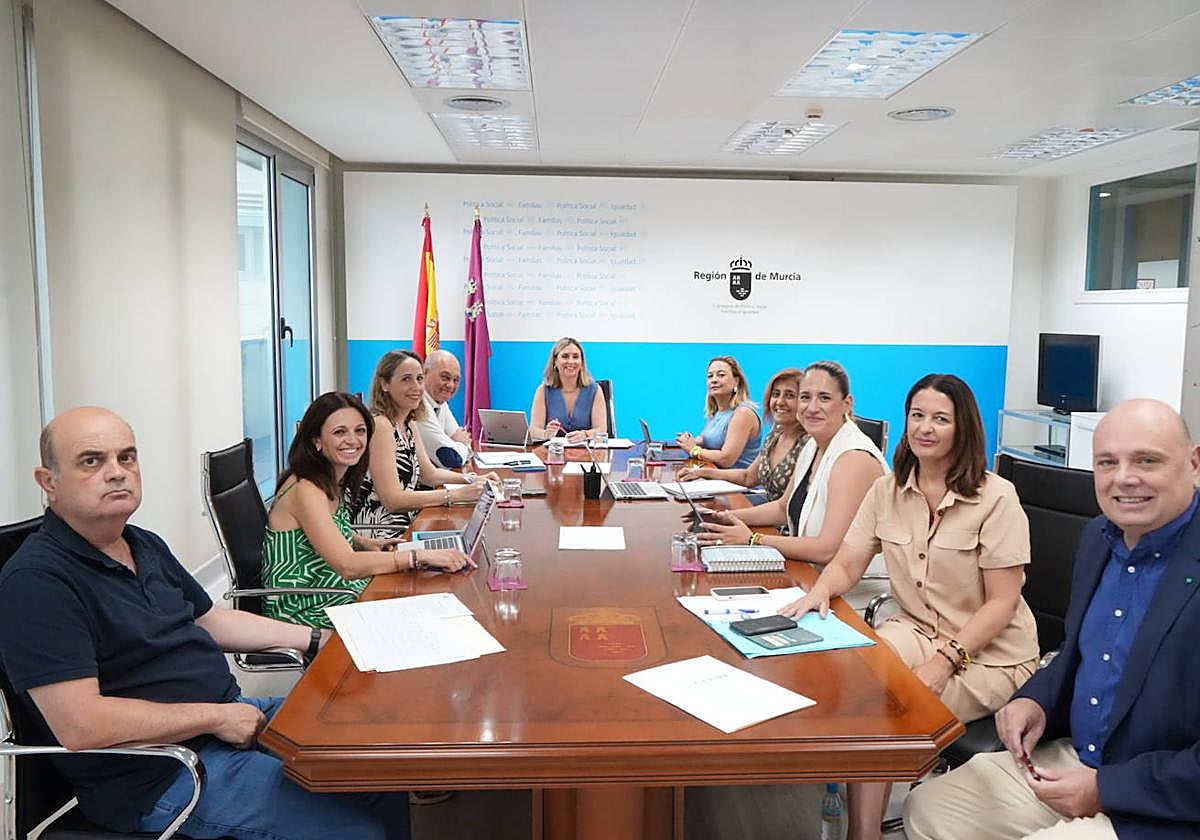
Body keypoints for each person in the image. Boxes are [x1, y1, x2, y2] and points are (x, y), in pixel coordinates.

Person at [0, 406, 409, 839]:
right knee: (354, 829)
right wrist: (215, 718)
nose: (117, 472)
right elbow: (81, 723)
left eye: (127, 457)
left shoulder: (141, 544)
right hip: (164, 773)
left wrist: (318, 638)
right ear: (48, 482)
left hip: (227, 717)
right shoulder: (37, 582)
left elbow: (210, 620)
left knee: (379, 758)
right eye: (91, 461)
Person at [904, 398, 1200, 840]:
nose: (1124, 478)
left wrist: (1106, 789)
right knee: (928, 810)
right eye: (1107, 462)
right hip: (1079, 760)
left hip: (1163, 801)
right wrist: (1035, 700)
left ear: (1194, 465)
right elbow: (1078, 653)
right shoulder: (1099, 538)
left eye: (1147, 461)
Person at [782, 373, 1039, 840]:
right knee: (855, 677)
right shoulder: (887, 490)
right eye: (917, 416)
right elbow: (848, 562)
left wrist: (945, 662)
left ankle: (863, 834)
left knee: (886, 705)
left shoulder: (997, 497)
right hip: (918, 630)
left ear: (963, 428)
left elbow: (1002, 604)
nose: (925, 427)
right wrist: (819, 592)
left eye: (940, 419)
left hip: (991, 652)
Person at [264, 391, 474, 629]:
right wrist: (417, 557)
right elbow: (347, 565)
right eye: (339, 432)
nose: (353, 440)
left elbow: (323, 529)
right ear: (317, 441)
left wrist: (362, 542)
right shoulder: (306, 489)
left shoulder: (331, 474)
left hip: (335, 588)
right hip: (305, 607)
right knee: (419, 620)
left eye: (360, 431)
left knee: (429, 602)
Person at [695, 362, 885, 602]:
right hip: (807, 576)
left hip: (850, 597)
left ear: (847, 403)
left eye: (824, 398)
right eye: (805, 397)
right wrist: (724, 517)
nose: (812, 407)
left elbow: (827, 550)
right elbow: (782, 508)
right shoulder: (814, 444)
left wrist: (753, 540)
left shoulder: (854, 458)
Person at [352, 350, 497, 538]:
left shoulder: (409, 423)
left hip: (407, 522)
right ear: (385, 384)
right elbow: (392, 500)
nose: (417, 387)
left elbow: (430, 474)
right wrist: (457, 495)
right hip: (381, 532)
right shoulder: (381, 426)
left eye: (419, 379)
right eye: (406, 379)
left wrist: (473, 479)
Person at [677, 367, 806, 502]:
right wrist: (701, 472)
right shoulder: (776, 433)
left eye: (790, 395)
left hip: (755, 499)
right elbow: (747, 477)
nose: (780, 401)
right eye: (776, 394)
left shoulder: (807, 443)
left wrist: (694, 450)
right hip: (752, 497)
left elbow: (727, 459)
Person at [676, 355, 762, 469]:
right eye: (710, 376)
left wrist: (693, 450)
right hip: (714, 475)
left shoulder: (743, 413)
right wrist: (690, 440)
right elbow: (707, 438)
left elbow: (726, 459)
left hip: (734, 479)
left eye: (721, 375)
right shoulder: (717, 411)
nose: (714, 380)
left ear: (736, 381)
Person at [529, 337, 608, 443]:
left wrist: (584, 435)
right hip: (553, 451)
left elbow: (601, 429)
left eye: (575, 357)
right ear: (555, 361)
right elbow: (534, 430)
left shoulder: (595, 390)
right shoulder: (543, 391)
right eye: (565, 356)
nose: (571, 361)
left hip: (586, 451)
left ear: (582, 362)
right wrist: (546, 434)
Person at [415, 349, 473, 469]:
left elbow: (458, 437)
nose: (451, 385)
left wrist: (458, 444)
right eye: (445, 377)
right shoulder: (417, 405)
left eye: (456, 380)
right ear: (425, 373)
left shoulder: (440, 402)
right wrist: (463, 444)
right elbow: (450, 458)